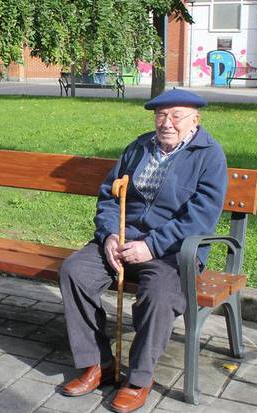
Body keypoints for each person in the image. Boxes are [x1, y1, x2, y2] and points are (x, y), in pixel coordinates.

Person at [58, 89, 227, 413]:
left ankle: (138, 378)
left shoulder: (209, 155)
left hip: (173, 251)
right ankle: (99, 363)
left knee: (159, 294)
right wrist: (109, 236)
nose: (167, 123)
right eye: (161, 115)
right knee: (74, 272)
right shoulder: (138, 148)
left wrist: (151, 246)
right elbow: (109, 195)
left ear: (195, 119)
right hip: (123, 238)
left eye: (176, 115)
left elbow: (201, 217)